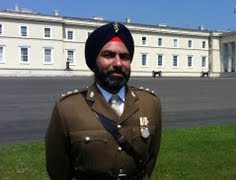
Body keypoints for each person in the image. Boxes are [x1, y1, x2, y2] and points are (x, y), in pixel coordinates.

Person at [45, 22, 162, 180]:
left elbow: (150, 160)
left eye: (124, 57)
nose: (118, 63)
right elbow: (57, 169)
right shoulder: (67, 108)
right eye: (108, 55)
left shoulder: (150, 104)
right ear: (94, 62)